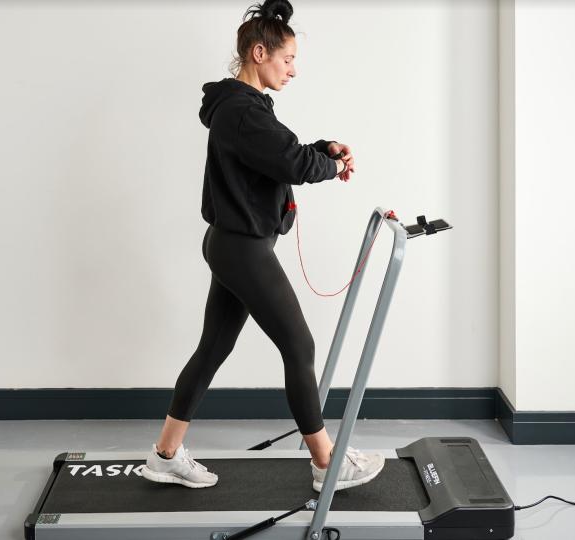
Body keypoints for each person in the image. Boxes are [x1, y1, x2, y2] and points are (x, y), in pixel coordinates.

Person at [138, 0, 384, 493]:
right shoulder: (243, 112)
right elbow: (290, 163)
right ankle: (327, 465)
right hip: (243, 247)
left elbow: (279, 156)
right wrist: (330, 165)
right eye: (287, 59)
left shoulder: (244, 110)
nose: (293, 70)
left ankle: (165, 455)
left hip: (234, 243)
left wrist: (322, 149)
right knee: (299, 344)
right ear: (258, 53)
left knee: (213, 347)